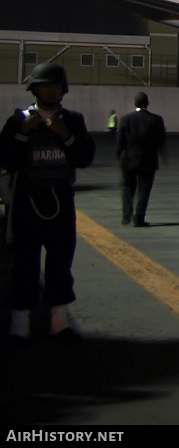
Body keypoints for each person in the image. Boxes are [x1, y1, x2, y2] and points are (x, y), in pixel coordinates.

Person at [0, 63, 95, 341]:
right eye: (44, 85)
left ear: (63, 90)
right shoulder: (18, 120)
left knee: (60, 263)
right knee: (24, 264)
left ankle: (59, 322)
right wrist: (22, 134)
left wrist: (66, 135)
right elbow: (5, 159)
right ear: (34, 89)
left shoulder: (73, 119)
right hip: (26, 202)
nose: (50, 90)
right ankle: (20, 325)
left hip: (60, 200)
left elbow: (85, 158)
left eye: (55, 86)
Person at [117, 92, 166, 227]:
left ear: (135, 103)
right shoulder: (156, 120)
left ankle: (126, 215)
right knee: (144, 190)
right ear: (147, 103)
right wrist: (162, 156)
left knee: (127, 188)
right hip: (148, 160)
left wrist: (119, 156)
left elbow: (120, 141)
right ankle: (139, 218)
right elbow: (161, 141)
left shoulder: (125, 119)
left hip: (128, 160)